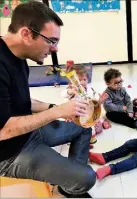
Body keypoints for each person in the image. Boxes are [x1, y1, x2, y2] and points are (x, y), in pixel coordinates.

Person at [0, 2, 96, 198]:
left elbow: (21, 100)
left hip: (27, 133)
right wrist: (58, 112)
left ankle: (68, 184)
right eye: (51, 41)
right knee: (87, 178)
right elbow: (4, 130)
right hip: (8, 152)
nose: (55, 49)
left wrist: (58, 107)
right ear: (26, 34)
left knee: (84, 127)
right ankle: (74, 181)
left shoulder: (17, 55)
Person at [61, 64, 108, 147]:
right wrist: (71, 92)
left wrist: (100, 101)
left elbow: (94, 100)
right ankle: (74, 141)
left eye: (84, 79)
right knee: (74, 129)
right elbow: (64, 94)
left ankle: (89, 140)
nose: (82, 82)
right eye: (79, 80)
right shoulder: (71, 89)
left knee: (91, 127)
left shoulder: (90, 89)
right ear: (71, 81)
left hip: (87, 114)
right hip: (75, 116)